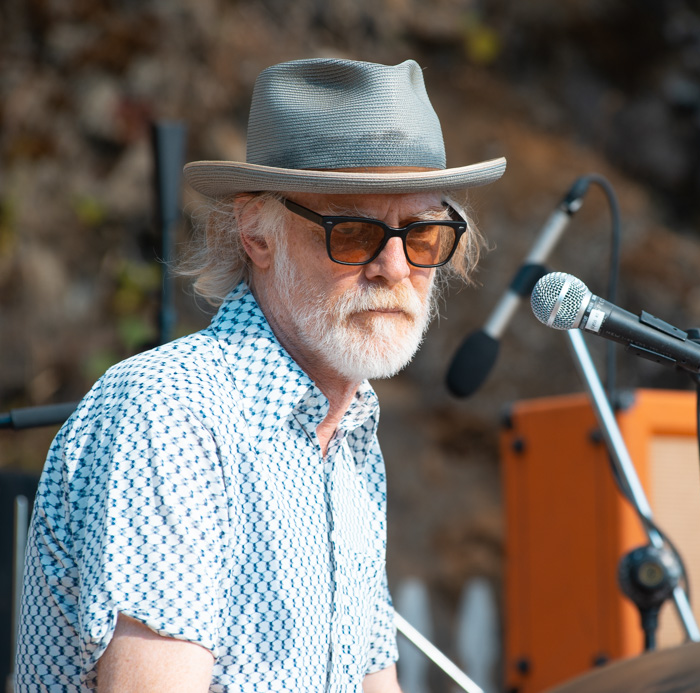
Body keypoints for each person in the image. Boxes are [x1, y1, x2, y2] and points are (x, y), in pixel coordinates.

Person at [15, 57, 505, 692]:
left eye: (423, 235)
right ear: (256, 231)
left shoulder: (351, 433)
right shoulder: (169, 413)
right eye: (353, 232)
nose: (393, 266)